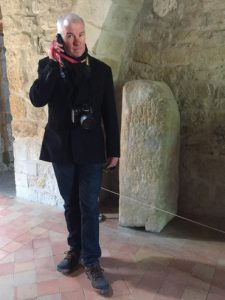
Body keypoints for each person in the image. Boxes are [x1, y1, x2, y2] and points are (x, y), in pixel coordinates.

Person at [29, 13, 120, 294]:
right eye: (69, 35)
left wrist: (114, 150)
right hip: (61, 150)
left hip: (92, 151)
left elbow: (110, 114)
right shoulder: (49, 66)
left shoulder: (102, 70)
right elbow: (37, 99)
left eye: (80, 34)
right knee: (70, 204)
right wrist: (53, 65)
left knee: (90, 208)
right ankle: (75, 250)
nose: (76, 41)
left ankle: (92, 261)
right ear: (60, 38)